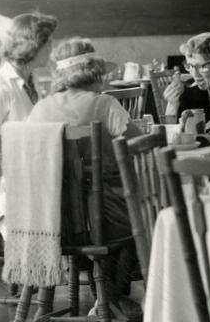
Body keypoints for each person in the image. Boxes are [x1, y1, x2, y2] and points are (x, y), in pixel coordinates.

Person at [28, 37, 143, 313]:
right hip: (99, 219)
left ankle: (106, 294)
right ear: (94, 73)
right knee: (144, 216)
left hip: (52, 219)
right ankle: (111, 295)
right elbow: (140, 144)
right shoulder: (102, 104)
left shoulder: (41, 108)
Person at [0, 12, 57, 258]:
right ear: (33, 45)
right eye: (49, 42)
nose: (52, 48)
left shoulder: (30, 81)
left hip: (25, 176)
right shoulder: (0, 86)